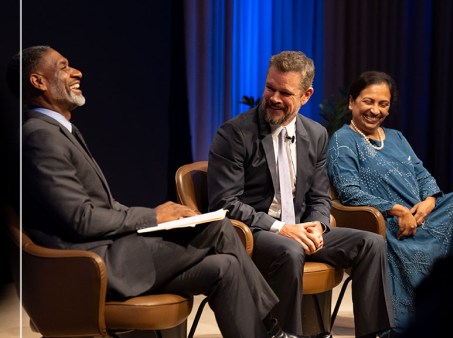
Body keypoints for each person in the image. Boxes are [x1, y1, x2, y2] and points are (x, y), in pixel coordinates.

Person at [11, 45, 309, 338]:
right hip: (90, 267)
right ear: (38, 82)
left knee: (226, 266)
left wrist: (164, 218)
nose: (77, 71)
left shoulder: (59, 131)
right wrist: (153, 217)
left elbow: (101, 208)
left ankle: (268, 332)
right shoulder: (40, 137)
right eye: (63, 67)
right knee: (218, 227)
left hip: (109, 251)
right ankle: (273, 330)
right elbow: (81, 220)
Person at [207, 51, 394, 338]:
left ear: (306, 95)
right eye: (270, 87)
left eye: (285, 92)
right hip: (257, 232)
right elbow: (225, 204)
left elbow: (320, 197)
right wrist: (283, 229)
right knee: (290, 250)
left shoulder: (317, 134)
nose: (274, 98)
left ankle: (374, 335)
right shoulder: (234, 134)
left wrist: (318, 226)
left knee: (371, 243)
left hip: (301, 228)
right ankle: (287, 334)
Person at [326, 71, 453, 333]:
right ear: (351, 102)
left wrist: (429, 201)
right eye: (368, 101)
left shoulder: (397, 137)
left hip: (423, 216)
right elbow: (348, 191)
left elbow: (423, 175)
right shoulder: (343, 140)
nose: (375, 110)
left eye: (383, 104)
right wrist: (397, 210)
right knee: (408, 242)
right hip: (385, 224)